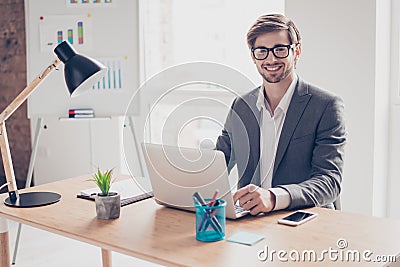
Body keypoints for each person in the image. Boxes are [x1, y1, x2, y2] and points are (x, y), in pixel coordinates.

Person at [215, 14, 346, 215]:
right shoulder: (241, 106)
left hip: (302, 219)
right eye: (262, 51)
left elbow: (329, 182)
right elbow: (218, 164)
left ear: (297, 51)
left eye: (280, 49)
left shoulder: (326, 106)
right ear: (252, 56)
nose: (271, 59)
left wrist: (274, 197)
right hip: (251, 218)